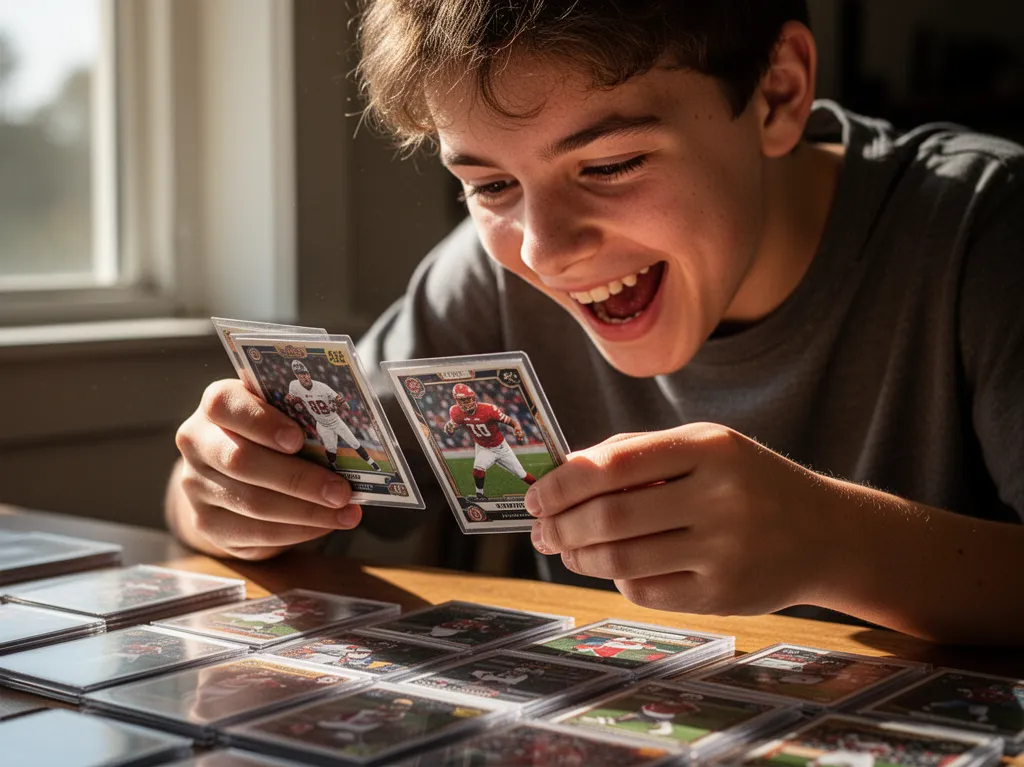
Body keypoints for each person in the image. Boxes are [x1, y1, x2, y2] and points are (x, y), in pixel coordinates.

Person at [167, 1, 1024, 644]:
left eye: (609, 164)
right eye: (491, 185)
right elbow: (264, 499)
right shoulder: (488, 278)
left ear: (776, 94)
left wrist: (837, 544)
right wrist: (223, 493)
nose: (545, 250)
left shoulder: (984, 232)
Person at [285, 359, 382, 473]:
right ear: (296, 376)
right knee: (331, 448)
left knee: (354, 443)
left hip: (335, 421)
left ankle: (371, 462)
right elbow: (292, 402)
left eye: (306, 374)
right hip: (321, 424)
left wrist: (337, 405)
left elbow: (346, 406)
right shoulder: (294, 385)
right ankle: (332, 464)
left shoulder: (322, 387)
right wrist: (294, 402)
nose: (305, 377)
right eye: (301, 375)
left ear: (309, 374)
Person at [444, 382, 536, 499]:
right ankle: (480, 495)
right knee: (478, 469)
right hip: (483, 447)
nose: (469, 402)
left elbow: (510, 421)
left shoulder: (488, 409)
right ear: (457, 400)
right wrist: (449, 429)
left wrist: (517, 428)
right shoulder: (455, 412)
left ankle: (539, 487)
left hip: (500, 447)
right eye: (464, 400)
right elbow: (452, 429)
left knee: (521, 474)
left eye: (470, 399)